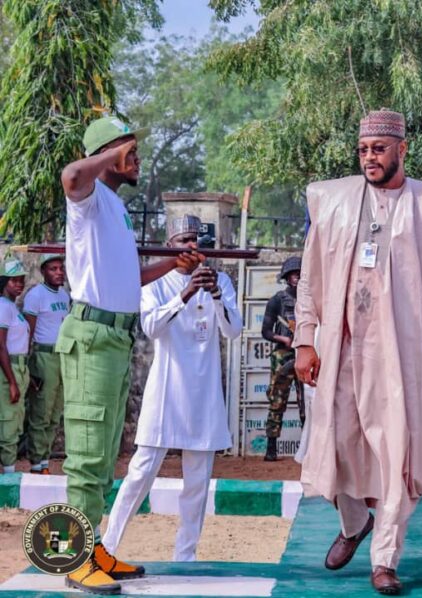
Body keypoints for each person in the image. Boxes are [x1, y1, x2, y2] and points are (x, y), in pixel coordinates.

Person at [293, 109, 422, 594]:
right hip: (342, 348)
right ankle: (353, 525)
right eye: (364, 149)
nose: (370, 157)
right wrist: (306, 338)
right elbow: (311, 278)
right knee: (337, 448)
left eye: (379, 149)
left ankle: (384, 558)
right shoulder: (334, 201)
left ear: (402, 149)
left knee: (396, 455)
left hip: (402, 354)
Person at [59, 115, 203, 594]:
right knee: (86, 452)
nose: (137, 159)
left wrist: (170, 264)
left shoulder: (114, 209)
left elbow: (125, 279)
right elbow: (72, 176)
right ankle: (75, 559)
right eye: (130, 152)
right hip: (93, 337)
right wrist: (111, 150)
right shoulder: (88, 198)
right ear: (108, 155)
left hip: (116, 338)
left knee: (103, 455)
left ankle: (94, 546)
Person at [103, 215, 242, 562]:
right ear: (170, 245)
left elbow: (233, 330)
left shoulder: (220, 280)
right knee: (140, 473)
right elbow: (150, 327)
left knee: (197, 482)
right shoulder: (156, 282)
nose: (191, 247)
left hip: (204, 394)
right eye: (183, 240)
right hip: (166, 390)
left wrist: (213, 293)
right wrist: (185, 293)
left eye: (196, 240)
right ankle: (107, 547)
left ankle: (186, 555)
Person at [23, 254, 69, 474]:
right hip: (43, 357)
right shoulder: (35, 296)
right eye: (53, 268)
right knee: (41, 410)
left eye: (61, 268)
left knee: (55, 411)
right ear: (44, 272)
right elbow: (27, 333)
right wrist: (26, 365)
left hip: (63, 356)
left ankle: (45, 461)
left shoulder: (64, 295)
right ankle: (36, 462)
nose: (59, 272)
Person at [261, 256, 304, 462]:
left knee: (308, 403)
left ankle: (308, 448)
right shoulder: (277, 300)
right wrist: (284, 339)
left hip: (306, 352)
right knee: (277, 401)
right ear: (287, 278)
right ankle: (271, 446)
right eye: (294, 274)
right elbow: (266, 331)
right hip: (283, 355)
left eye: (300, 274)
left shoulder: (311, 299)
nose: (297, 277)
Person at [0, 260, 30, 474]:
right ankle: (8, 476)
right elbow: (0, 346)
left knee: (15, 419)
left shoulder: (12, 307)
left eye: (21, 280)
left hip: (19, 367)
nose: (19, 284)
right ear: (4, 282)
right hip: (8, 369)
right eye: (14, 280)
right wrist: (11, 381)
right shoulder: (3, 307)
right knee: (8, 422)